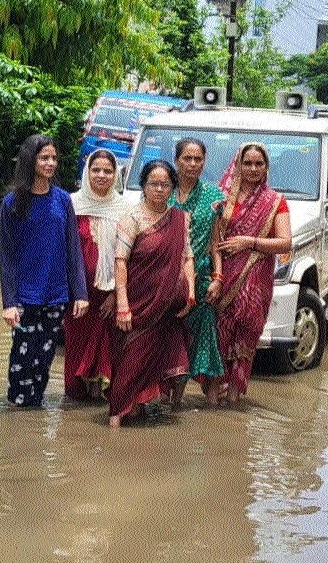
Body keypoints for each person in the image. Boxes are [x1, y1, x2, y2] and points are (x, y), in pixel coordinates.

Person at [0, 134, 89, 407]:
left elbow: (73, 249)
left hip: (56, 294)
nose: (50, 163)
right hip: (25, 295)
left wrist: (81, 293)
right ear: (31, 160)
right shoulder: (13, 203)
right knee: (22, 357)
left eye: (53, 158)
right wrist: (9, 302)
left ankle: (33, 408)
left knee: (45, 356)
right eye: (43, 158)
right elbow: (8, 257)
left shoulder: (62, 200)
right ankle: (18, 407)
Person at [109, 160, 196, 427]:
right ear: (144, 186)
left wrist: (190, 294)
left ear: (172, 187)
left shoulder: (180, 219)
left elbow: (187, 258)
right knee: (128, 364)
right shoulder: (132, 217)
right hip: (136, 304)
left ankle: (136, 412)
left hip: (167, 307)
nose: (159, 189)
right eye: (153, 184)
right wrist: (123, 304)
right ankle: (115, 420)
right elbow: (120, 261)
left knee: (151, 362)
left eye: (165, 184)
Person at [210, 142, 292, 406]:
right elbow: (212, 240)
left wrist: (249, 241)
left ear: (266, 167)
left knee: (245, 339)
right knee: (218, 336)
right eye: (248, 163)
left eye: (259, 164)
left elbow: (285, 242)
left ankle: (233, 400)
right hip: (223, 277)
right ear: (238, 165)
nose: (253, 169)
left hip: (255, 280)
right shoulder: (221, 199)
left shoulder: (275, 201)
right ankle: (213, 402)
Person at [169, 137, 227, 406]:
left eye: (198, 159)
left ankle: (212, 400)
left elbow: (216, 242)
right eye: (187, 158)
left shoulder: (214, 197)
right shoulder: (162, 190)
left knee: (205, 336)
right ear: (176, 160)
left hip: (202, 275)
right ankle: (172, 400)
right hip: (168, 276)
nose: (193, 164)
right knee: (172, 335)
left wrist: (218, 277)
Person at [63, 149, 123, 401]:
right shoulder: (71, 204)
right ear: (86, 173)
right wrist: (75, 293)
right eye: (95, 170)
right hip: (77, 295)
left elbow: (127, 257)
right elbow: (63, 251)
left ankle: (101, 401)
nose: (101, 175)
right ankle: (77, 404)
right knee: (78, 348)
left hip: (109, 295)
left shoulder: (125, 209)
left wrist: (115, 294)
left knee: (107, 349)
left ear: (116, 174)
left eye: (108, 171)